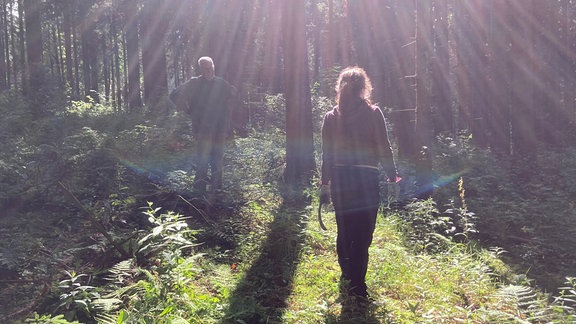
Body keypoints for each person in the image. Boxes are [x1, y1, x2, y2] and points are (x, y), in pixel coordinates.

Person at [319, 66, 400, 306]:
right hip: (366, 179)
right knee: (363, 233)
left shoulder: (331, 117)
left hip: (341, 180)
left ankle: (348, 278)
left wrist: (324, 183)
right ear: (364, 87)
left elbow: (327, 156)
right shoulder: (374, 113)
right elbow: (384, 147)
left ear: (340, 87)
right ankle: (357, 286)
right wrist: (392, 176)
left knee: (344, 230)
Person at [169, 56, 235, 195]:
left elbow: (231, 102)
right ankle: (199, 194)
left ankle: (217, 192)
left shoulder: (222, 84)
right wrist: (188, 110)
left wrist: (228, 127)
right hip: (202, 129)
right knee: (203, 161)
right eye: (205, 68)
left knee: (217, 161)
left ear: (213, 66)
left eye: (210, 67)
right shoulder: (194, 83)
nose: (208, 71)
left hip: (220, 129)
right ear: (200, 69)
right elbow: (174, 95)